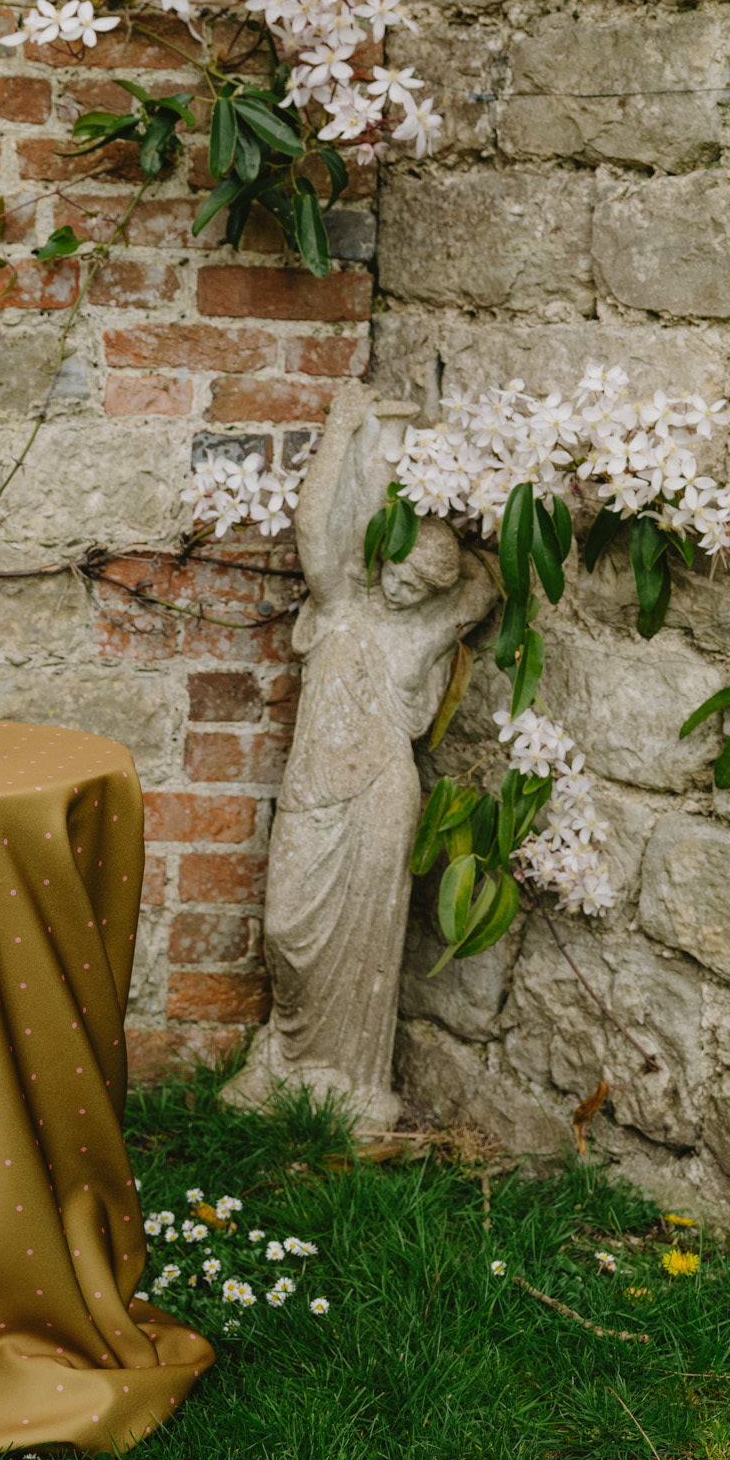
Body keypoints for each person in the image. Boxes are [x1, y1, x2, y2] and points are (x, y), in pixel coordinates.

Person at [222, 383, 493, 1129]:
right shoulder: (340, 599)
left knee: (370, 941)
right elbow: (315, 528)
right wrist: (346, 433)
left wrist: (446, 494)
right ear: (381, 557)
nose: (403, 589)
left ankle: (352, 1082)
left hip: (381, 791)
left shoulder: (427, 628)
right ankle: (290, 1053)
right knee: (286, 925)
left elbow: (480, 584)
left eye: (418, 583)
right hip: (316, 791)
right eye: (397, 571)